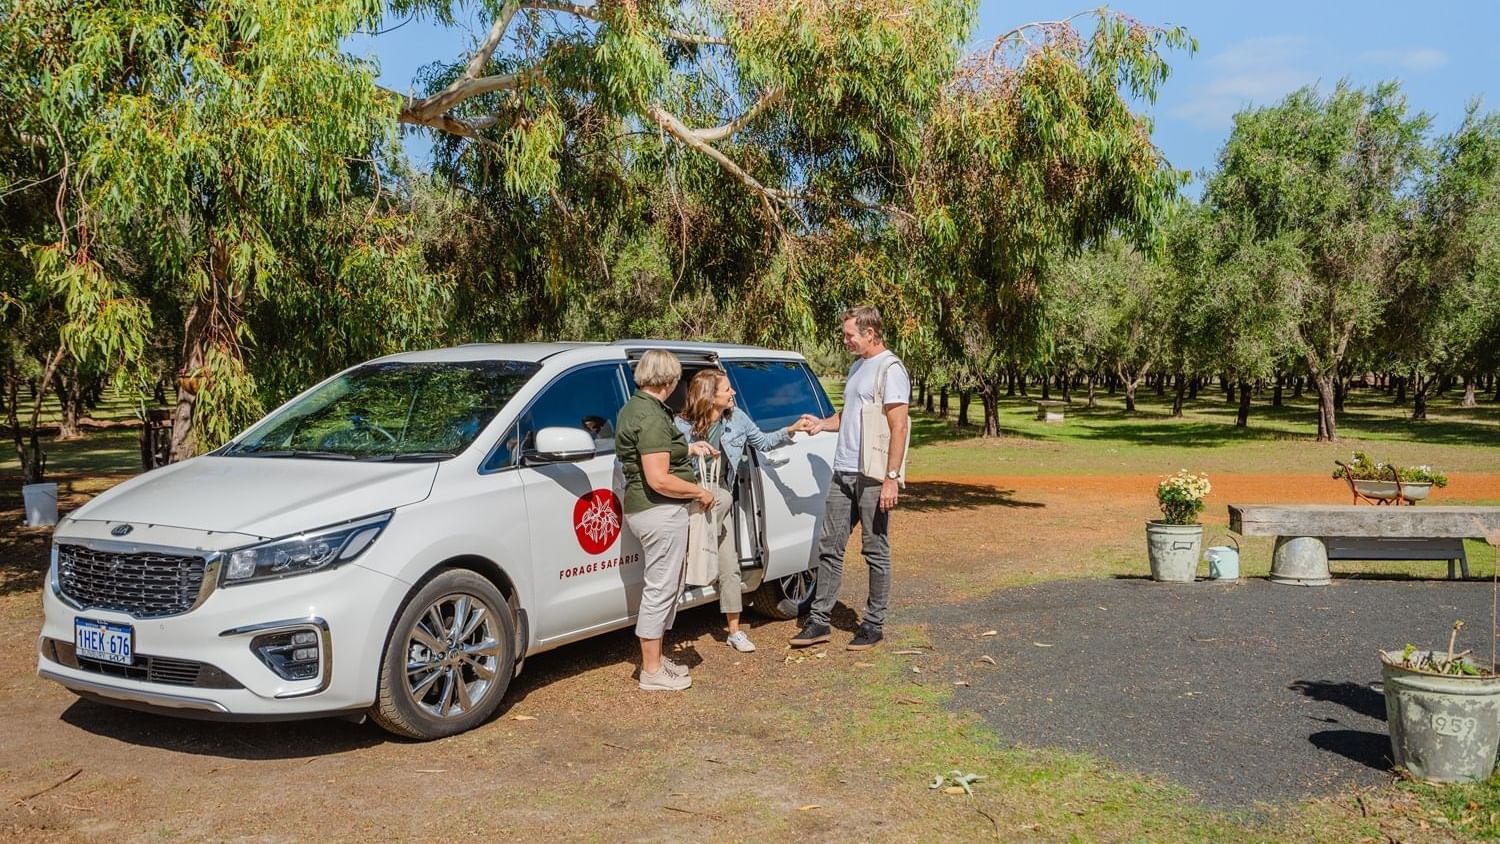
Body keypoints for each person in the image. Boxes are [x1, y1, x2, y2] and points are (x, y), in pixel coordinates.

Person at [791, 305, 910, 651]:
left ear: (870, 333)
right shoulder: (858, 367)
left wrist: (891, 478)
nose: (845, 340)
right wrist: (823, 424)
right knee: (829, 546)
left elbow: (897, 425)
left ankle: (873, 624)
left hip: (872, 475)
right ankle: (819, 621)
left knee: (875, 549)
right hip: (843, 471)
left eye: (850, 335)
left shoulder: (891, 369)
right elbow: (853, 414)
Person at [674, 369, 815, 653]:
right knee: (693, 555)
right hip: (688, 497)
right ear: (710, 396)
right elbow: (669, 461)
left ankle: (734, 631)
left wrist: (791, 430)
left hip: (719, 498)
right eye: (727, 389)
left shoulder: (736, 419)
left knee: (730, 565)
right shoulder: (680, 425)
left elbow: (762, 443)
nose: (733, 393)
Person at [615, 350, 717, 691]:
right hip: (658, 509)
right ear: (670, 380)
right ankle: (652, 671)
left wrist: (689, 449)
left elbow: (656, 451)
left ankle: (656, 659)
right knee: (660, 587)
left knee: (664, 584)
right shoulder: (653, 416)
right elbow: (658, 478)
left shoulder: (636, 408)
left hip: (648, 509)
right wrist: (698, 492)